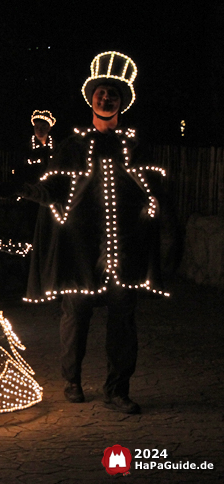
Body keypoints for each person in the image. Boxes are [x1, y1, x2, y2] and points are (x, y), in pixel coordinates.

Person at [19, 51, 167, 414]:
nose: (107, 97)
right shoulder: (71, 146)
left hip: (123, 251)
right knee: (76, 316)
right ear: (91, 97)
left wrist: (152, 215)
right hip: (79, 249)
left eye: (114, 93)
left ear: (122, 102)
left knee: (123, 320)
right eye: (102, 91)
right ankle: (72, 380)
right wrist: (26, 189)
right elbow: (51, 188)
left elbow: (154, 188)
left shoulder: (134, 146)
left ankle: (117, 389)